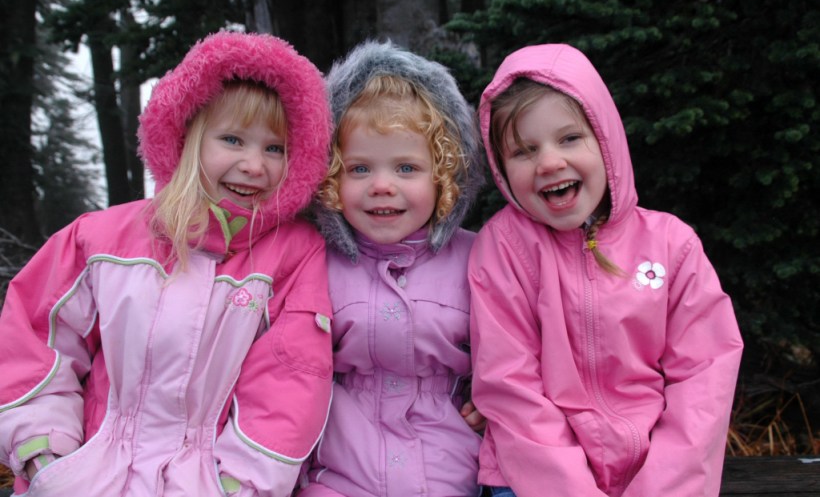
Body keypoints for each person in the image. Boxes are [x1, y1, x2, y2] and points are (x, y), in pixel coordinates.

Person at [0, 32, 334, 497]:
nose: (254, 165)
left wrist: (240, 484)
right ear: (190, 137)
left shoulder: (292, 254)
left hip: (209, 481)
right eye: (233, 139)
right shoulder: (99, 239)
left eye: (274, 148)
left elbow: (289, 379)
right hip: (91, 470)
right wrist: (45, 455)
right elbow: (35, 336)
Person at [469, 44, 744, 497]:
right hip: (536, 477)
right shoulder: (505, 248)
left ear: (606, 138)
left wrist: (663, 487)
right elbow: (509, 384)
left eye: (569, 138)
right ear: (501, 167)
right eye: (523, 150)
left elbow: (704, 380)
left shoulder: (671, 245)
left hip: (656, 472)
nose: (549, 162)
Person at [298, 41, 486, 497]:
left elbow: (519, 345)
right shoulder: (313, 260)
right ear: (330, 177)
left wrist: (493, 394)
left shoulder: (478, 258)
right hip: (339, 471)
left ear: (443, 176)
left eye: (406, 167)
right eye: (360, 169)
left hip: (447, 469)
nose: (382, 186)